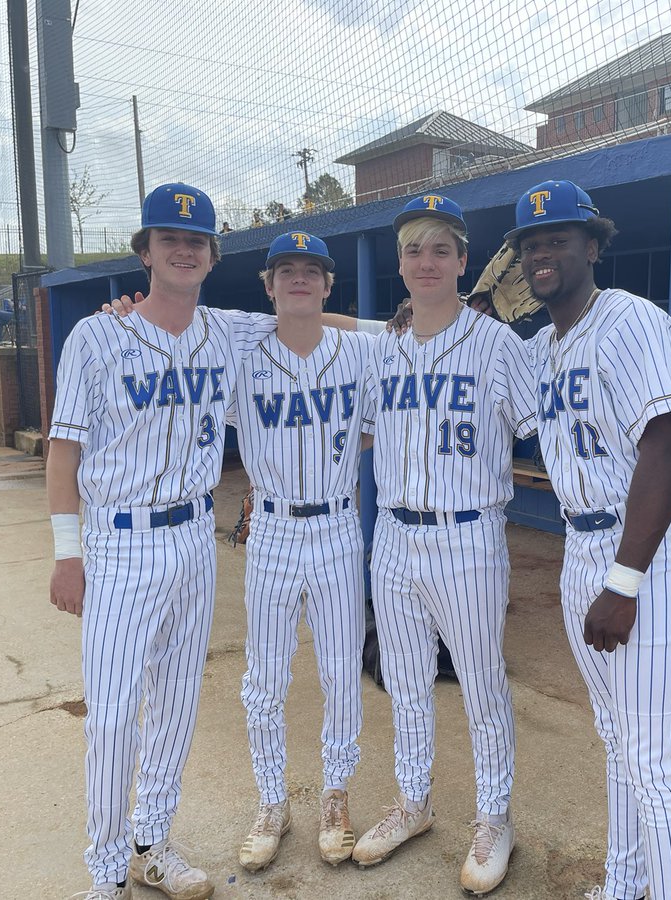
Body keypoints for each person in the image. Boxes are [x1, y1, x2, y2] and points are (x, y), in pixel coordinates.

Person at [507, 180, 671, 900]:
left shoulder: (630, 322)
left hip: (649, 554)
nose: (542, 252)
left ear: (592, 246)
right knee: (617, 737)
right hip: (582, 545)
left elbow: (664, 449)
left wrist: (623, 583)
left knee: (653, 755)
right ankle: (624, 884)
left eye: (557, 238)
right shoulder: (543, 348)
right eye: (530, 243)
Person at [349, 193, 538, 896]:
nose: (425, 261)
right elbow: (362, 429)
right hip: (395, 535)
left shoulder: (499, 345)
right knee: (405, 684)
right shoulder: (383, 349)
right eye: (413, 250)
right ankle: (414, 804)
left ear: (463, 261)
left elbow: (543, 423)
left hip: (468, 536)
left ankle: (494, 819)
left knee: (482, 686)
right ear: (399, 264)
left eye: (440, 249)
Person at [47, 182, 230, 900]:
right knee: (115, 717)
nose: (183, 249)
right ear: (147, 252)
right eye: (169, 239)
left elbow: (307, 317)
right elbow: (62, 454)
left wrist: (404, 326)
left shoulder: (228, 331)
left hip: (195, 536)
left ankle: (152, 843)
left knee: (178, 704)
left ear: (212, 256)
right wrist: (68, 554)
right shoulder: (97, 336)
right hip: (119, 545)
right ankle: (104, 873)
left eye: (196, 240)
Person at [224, 232, 372, 872]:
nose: (300, 279)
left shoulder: (360, 351)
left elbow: (377, 422)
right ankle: (270, 801)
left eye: (312, 270)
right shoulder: (241, 353)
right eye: (287, 271)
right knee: (265, 678)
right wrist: (120, 312)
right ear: (269, 284)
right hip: (274, 531)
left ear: (329, 284)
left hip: (339, 526)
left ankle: (335, 796)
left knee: (341, 672)